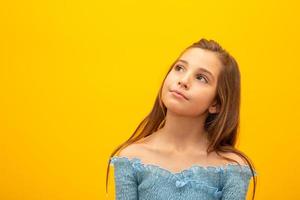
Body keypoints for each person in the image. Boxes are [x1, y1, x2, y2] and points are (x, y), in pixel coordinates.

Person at [105, 38, 258, 200]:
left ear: (216, 103)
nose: (183, 81)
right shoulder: (130, 158)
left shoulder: (233, 168)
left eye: (201, 78)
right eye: (179, 68)